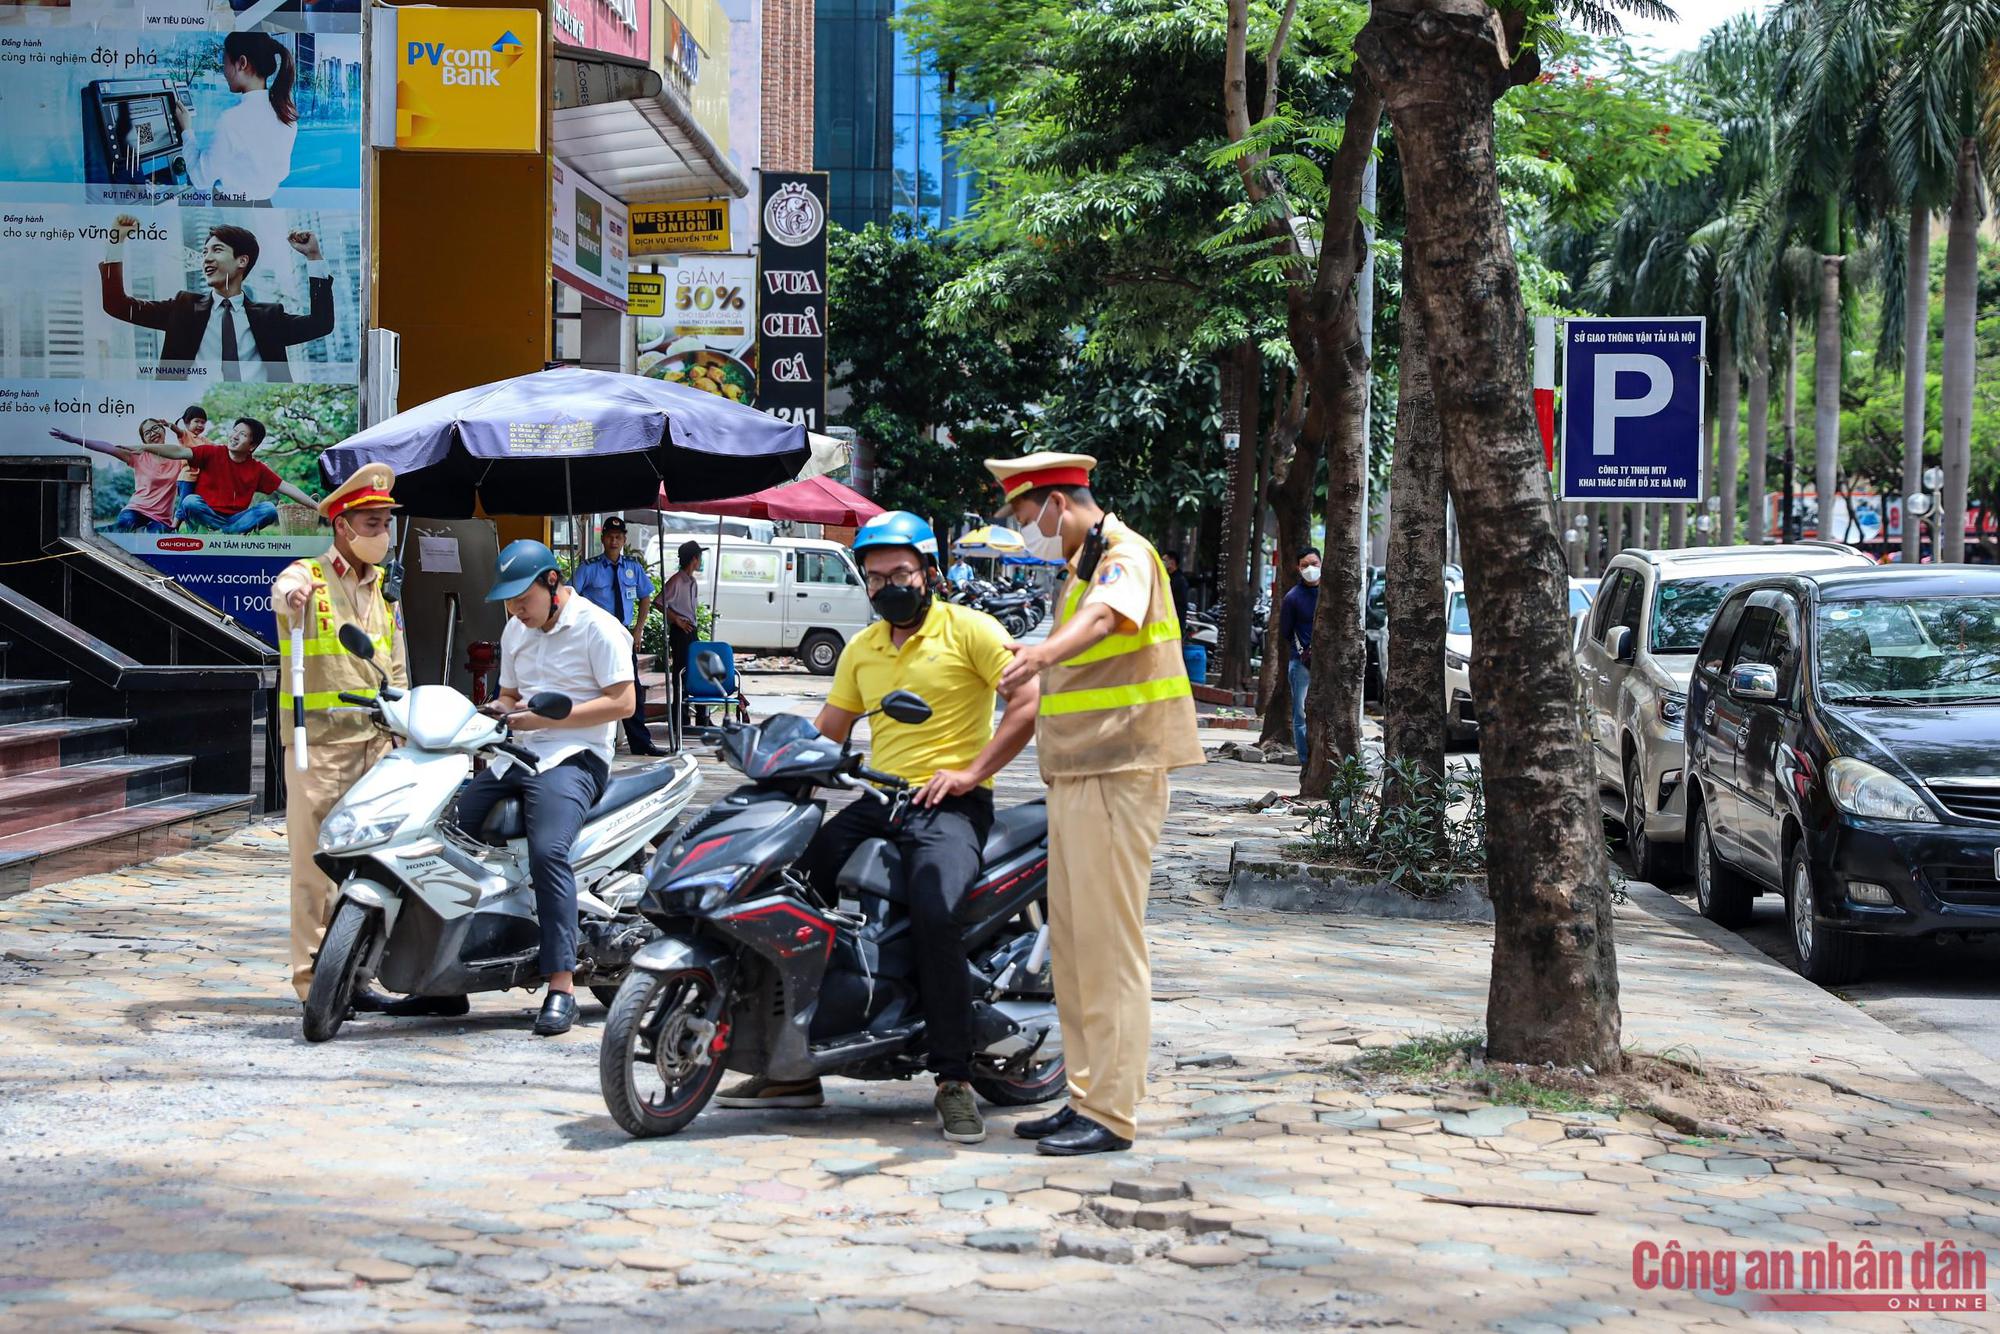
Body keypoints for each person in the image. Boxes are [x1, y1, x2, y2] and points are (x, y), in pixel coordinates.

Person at [716, 511, 1041, 1144]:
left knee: (936, 914)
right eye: (876, 576)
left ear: (930, 574)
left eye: (901, 572)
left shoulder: (972, 630)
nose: (888, 584)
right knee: (785, 885)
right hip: (879, 799)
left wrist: (970, 774)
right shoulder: (862, 647)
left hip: (950, 805)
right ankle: (794, 1066)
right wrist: (772, 767)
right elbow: (829, 729)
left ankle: (952, 1078)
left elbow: (1027, 705)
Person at [986, 452, 1204, 1157]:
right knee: (1075, 950)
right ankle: (1084, 1094)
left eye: (1025, 518)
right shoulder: (1079, 571)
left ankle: (1111, 1112)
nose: (1026, 532)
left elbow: (1111, 620)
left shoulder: (1125, 554)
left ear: (1056, 502)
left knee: (1109, 948)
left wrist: (1042, 654)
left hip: (1121, 768)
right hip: (1080, 772)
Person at [451, 541, 636, 1037]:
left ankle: (560, 985)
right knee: (451, 831)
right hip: (519, 753)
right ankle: (446, 981)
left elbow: (624, 703)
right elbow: (510, 693)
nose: (515, 609)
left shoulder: (599, 628)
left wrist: (551, 716)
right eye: (508, 601)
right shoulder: (517, 629)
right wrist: (497, 708)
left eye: (521, 598)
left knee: (549, 851)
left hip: (576, 758)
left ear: (552, 583)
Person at [271, 464, 407, 1009]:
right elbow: (285, 591)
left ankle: (358, 973)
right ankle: (313, 985)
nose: (382, 533)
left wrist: (403, 733)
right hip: (320, 748)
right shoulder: (307, 576)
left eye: (384, 523)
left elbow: (395, 668)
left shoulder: (385, 590)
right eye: (372, 522)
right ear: (342, 526)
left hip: (378, 748)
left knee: (375, 868)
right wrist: (291, 595)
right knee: (315, 873)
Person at [102, 215, 334, 382]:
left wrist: (313, 257)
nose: (206, 259)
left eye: (217, 250)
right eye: (204, 253)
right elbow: (117, 305)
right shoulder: (184, 307)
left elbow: (321, 323)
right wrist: (115, 242)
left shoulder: (270, 317)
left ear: (242, 261)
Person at [571, 516, 665, 756]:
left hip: (623, 635)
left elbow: (646, 597)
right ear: (602, 539)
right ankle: (586, 743)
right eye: (610, 537)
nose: (614, 541)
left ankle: (640, 743)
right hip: (595, 636)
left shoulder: (633, 568)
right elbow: (570, 596)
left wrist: (639, 629)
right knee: (590, 688)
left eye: (618, 537)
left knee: (630, 688)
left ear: (624, 540)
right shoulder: (589, 568)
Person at [178, 32, 300, 201]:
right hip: (266, 205)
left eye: (225, 63)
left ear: (242, 63)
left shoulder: (231, 120)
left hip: (233, 209)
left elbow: (200, 179)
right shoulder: (288, 114)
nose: (224, 71)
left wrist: (186, 131)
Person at [177, 416, 317, 533]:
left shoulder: (257, 468)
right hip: (206, 515)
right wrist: (154, 447)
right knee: (190, 501)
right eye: (235, 431)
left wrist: (318, 506)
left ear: (252, 446)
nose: (235, 436)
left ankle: (226, 531)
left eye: (243, 435)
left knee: (269, 509)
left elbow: (287, 487)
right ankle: (223, 531)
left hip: (237, 519)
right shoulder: (211, 452)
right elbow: (179, 452)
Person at [50, 421, 183, 533]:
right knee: (125, 525)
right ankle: (90, 534)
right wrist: (75, 440)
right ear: (144, 440)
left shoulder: (179, 457)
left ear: (163, 430)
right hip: (137, 510)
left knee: (156, 537)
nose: (153, 433)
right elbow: (107, 448)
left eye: (155, 428)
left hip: (161, 518)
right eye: (147, 433)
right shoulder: (138, 456)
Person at [660, 541, 710, 729]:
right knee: (681, 673)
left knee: (698, 672)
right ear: (694, 559)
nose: (700, 561)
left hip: (691, 631)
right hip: (680, 632)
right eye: (699, 557)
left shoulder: (692, 581)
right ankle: (678, 718)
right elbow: (659, 602)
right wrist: (676, 619)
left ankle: (700, 717)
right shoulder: (677, 580)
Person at [1278, 548, 1322, 760]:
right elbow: (1285, 631)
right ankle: (1306, 760)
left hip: (1328, 663)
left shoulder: (1330, 594)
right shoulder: (1292, 598)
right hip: (1301, 663)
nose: (1310, 569)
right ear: (1298, 568)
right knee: (1300, 714)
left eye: (1314, 563)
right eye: (1305, 565)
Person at [1165, 550, 1192, 619]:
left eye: (1165, 560)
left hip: (1175, 619)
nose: (1163, 563)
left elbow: (1180, 604)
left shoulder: (1180, 580)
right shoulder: (1167, 577)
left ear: (1172, 562)